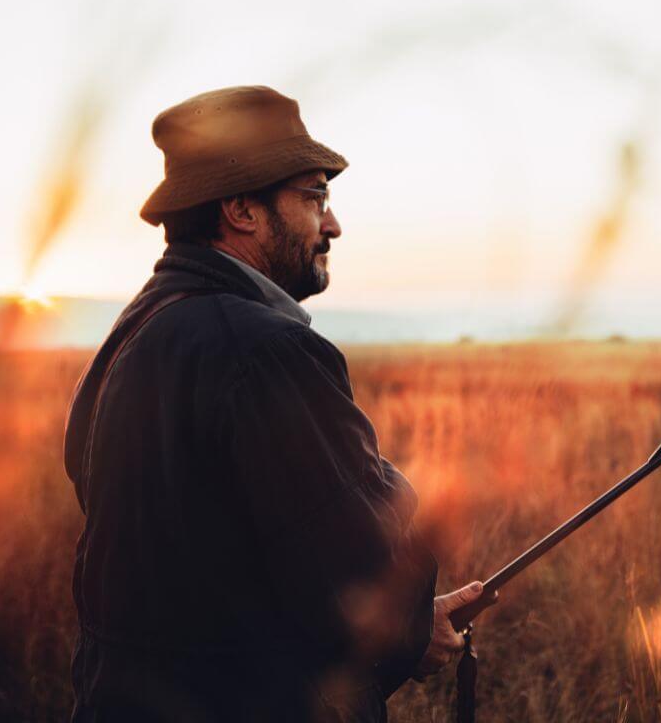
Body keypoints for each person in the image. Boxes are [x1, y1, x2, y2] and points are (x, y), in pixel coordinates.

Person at [64, 85, 484, 722]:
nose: (333, 224)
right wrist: (407, 614)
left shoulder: (130, 335)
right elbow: (360, 578)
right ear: (241, 210)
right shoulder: (268, 350)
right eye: (314, 196)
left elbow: (208, 564)